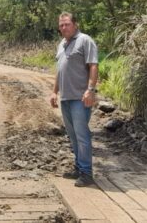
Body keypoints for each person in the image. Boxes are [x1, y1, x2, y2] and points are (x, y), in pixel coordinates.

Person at [49, 12, 99, 187]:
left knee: (82, 135)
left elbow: (93, 65)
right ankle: (79, 167)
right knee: (72, 135)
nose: (64, 27)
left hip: (80, 97)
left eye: (67, 24)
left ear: (75, 24)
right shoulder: (62, 44)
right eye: (61, 25)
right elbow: (59, 70)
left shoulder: (85, 40)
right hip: (66, 98)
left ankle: (86, 173)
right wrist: (54, 92)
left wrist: (90, 90)